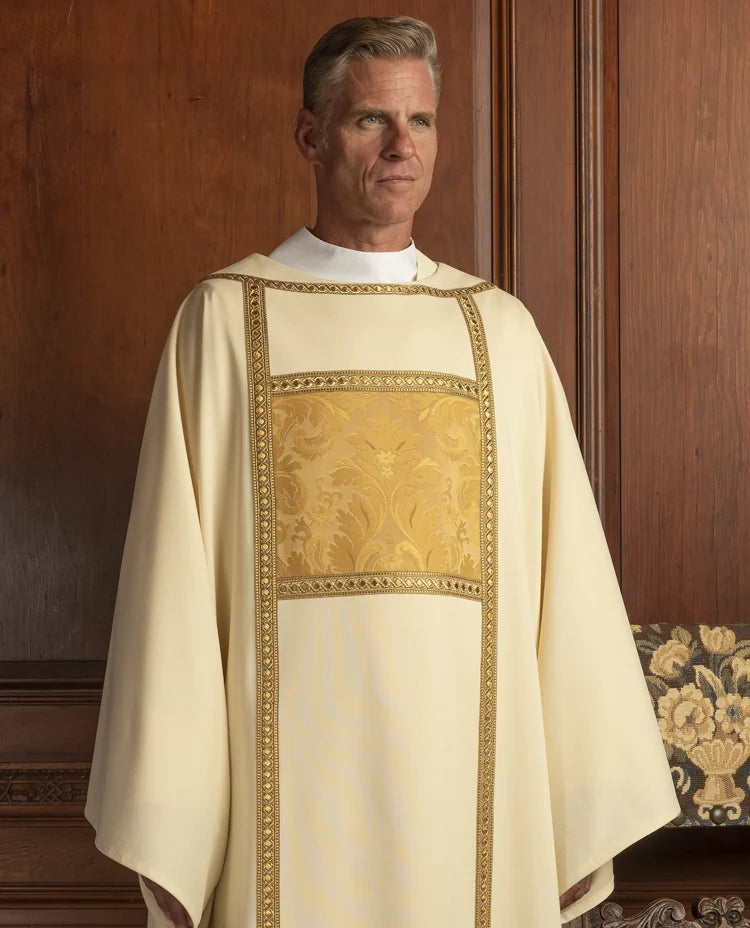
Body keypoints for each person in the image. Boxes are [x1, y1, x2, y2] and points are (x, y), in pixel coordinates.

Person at [84, 16, 679, 928]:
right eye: (371, 121)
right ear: (311, 135)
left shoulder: (500, 334)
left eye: (424, 122)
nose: (404, 147)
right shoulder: (226, 324)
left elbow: (567, 594)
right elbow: (172, 586)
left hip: (471, 789)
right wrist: (174, 809)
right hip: (288, 794)